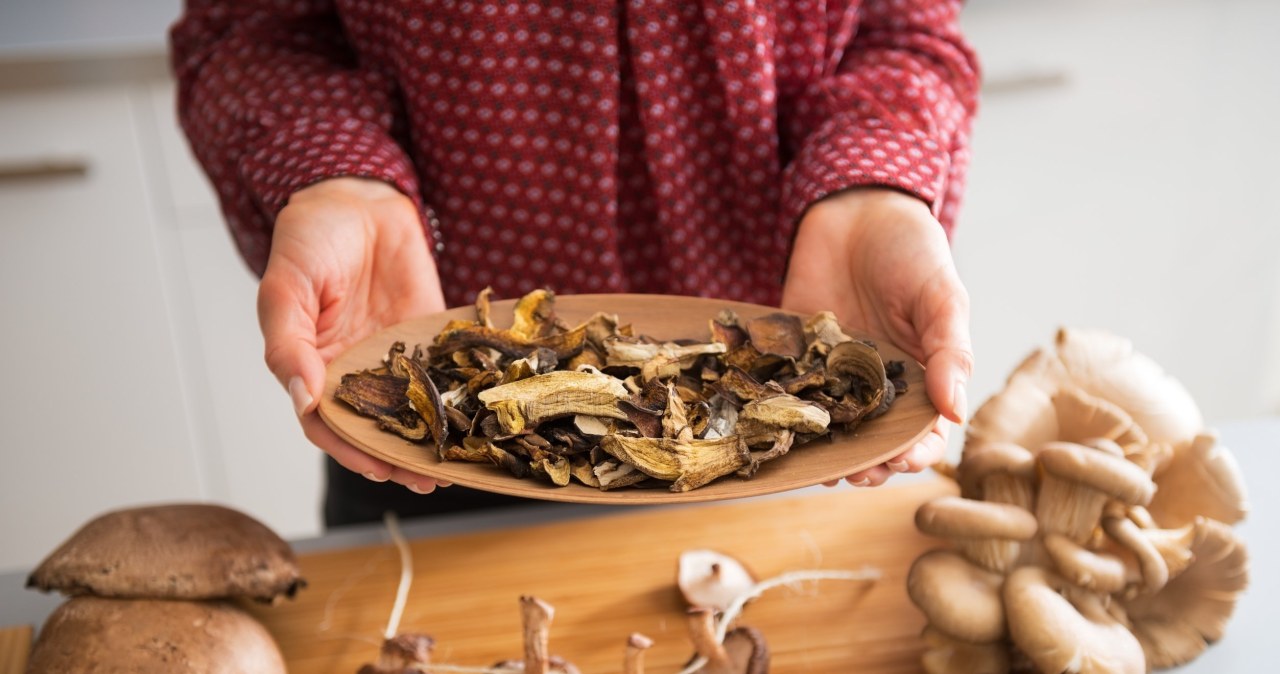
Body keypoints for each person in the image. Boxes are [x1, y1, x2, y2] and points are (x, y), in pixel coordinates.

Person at [170, 0, 979, 526]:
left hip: (783, 445)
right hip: (441, 441)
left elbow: (902, 31)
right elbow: (252, 32)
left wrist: (875, 186)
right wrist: (333, 176)